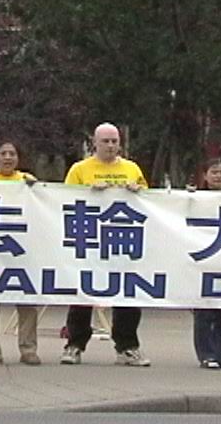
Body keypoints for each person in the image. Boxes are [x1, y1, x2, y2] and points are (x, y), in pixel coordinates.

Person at [60, 122, 151, 367]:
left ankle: (127, 347)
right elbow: (63, 200)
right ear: (95, 144)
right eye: (105, 141)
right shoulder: (80, 169)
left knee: (127, 296)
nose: (110, 146)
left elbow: (150, 202)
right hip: (90, 241)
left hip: (122, 242)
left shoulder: (131, 168)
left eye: (114, 141)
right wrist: (88, 193)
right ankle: (74, 344)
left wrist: (137, 191)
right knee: (82, 295)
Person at [0, 141, 41, 367]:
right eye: (3, 153)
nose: (8, 157)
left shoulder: (27, 181)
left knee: (27, 301)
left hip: (22, 250)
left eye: (12, 153)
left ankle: (28, 349)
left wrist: (36, 188)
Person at [190, 159, 221, 370]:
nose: (219, 176)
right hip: (202, 260)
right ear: (205, 175)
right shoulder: (195, 198)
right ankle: (206, 354)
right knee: (204, 311)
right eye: (214, 172)